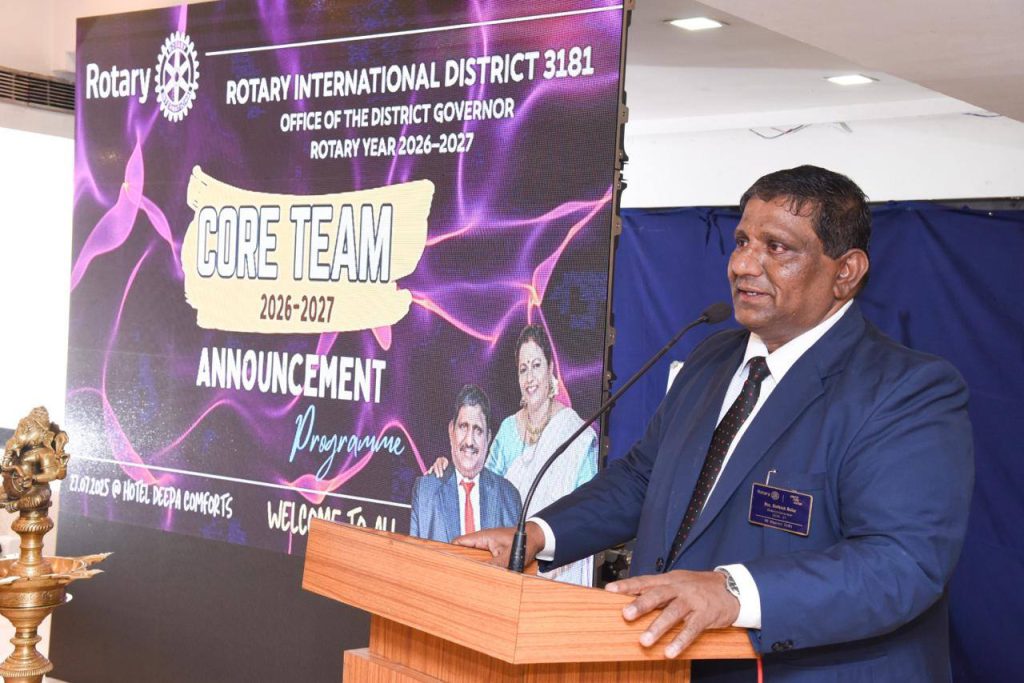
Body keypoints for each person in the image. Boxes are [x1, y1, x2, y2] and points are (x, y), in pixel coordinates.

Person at [456, 166, 974, 682]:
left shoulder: (906, 391)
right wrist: (538, 536)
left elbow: (901, 564)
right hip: (662, 664)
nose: (744, 264)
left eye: (777, 247)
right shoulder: (712, 359)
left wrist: (732, 591)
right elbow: (642, 479)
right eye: (742, 241)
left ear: (846, 272)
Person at [431, 324, 599, 584]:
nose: (530, 378)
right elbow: (482, 489)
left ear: (551, 368)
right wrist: (451, 470)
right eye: (523, 369)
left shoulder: (575, 435)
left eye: (536, 366)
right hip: (507, 564)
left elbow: (587, 514)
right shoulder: (508, 430)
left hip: (558, 570)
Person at [409, 385, 520, 543]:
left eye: (478, 430)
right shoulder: (426, 491)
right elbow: (413, 556)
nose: (469, 441)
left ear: (488, 438)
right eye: (463, 427)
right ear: (451, 431)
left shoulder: (509, 497)